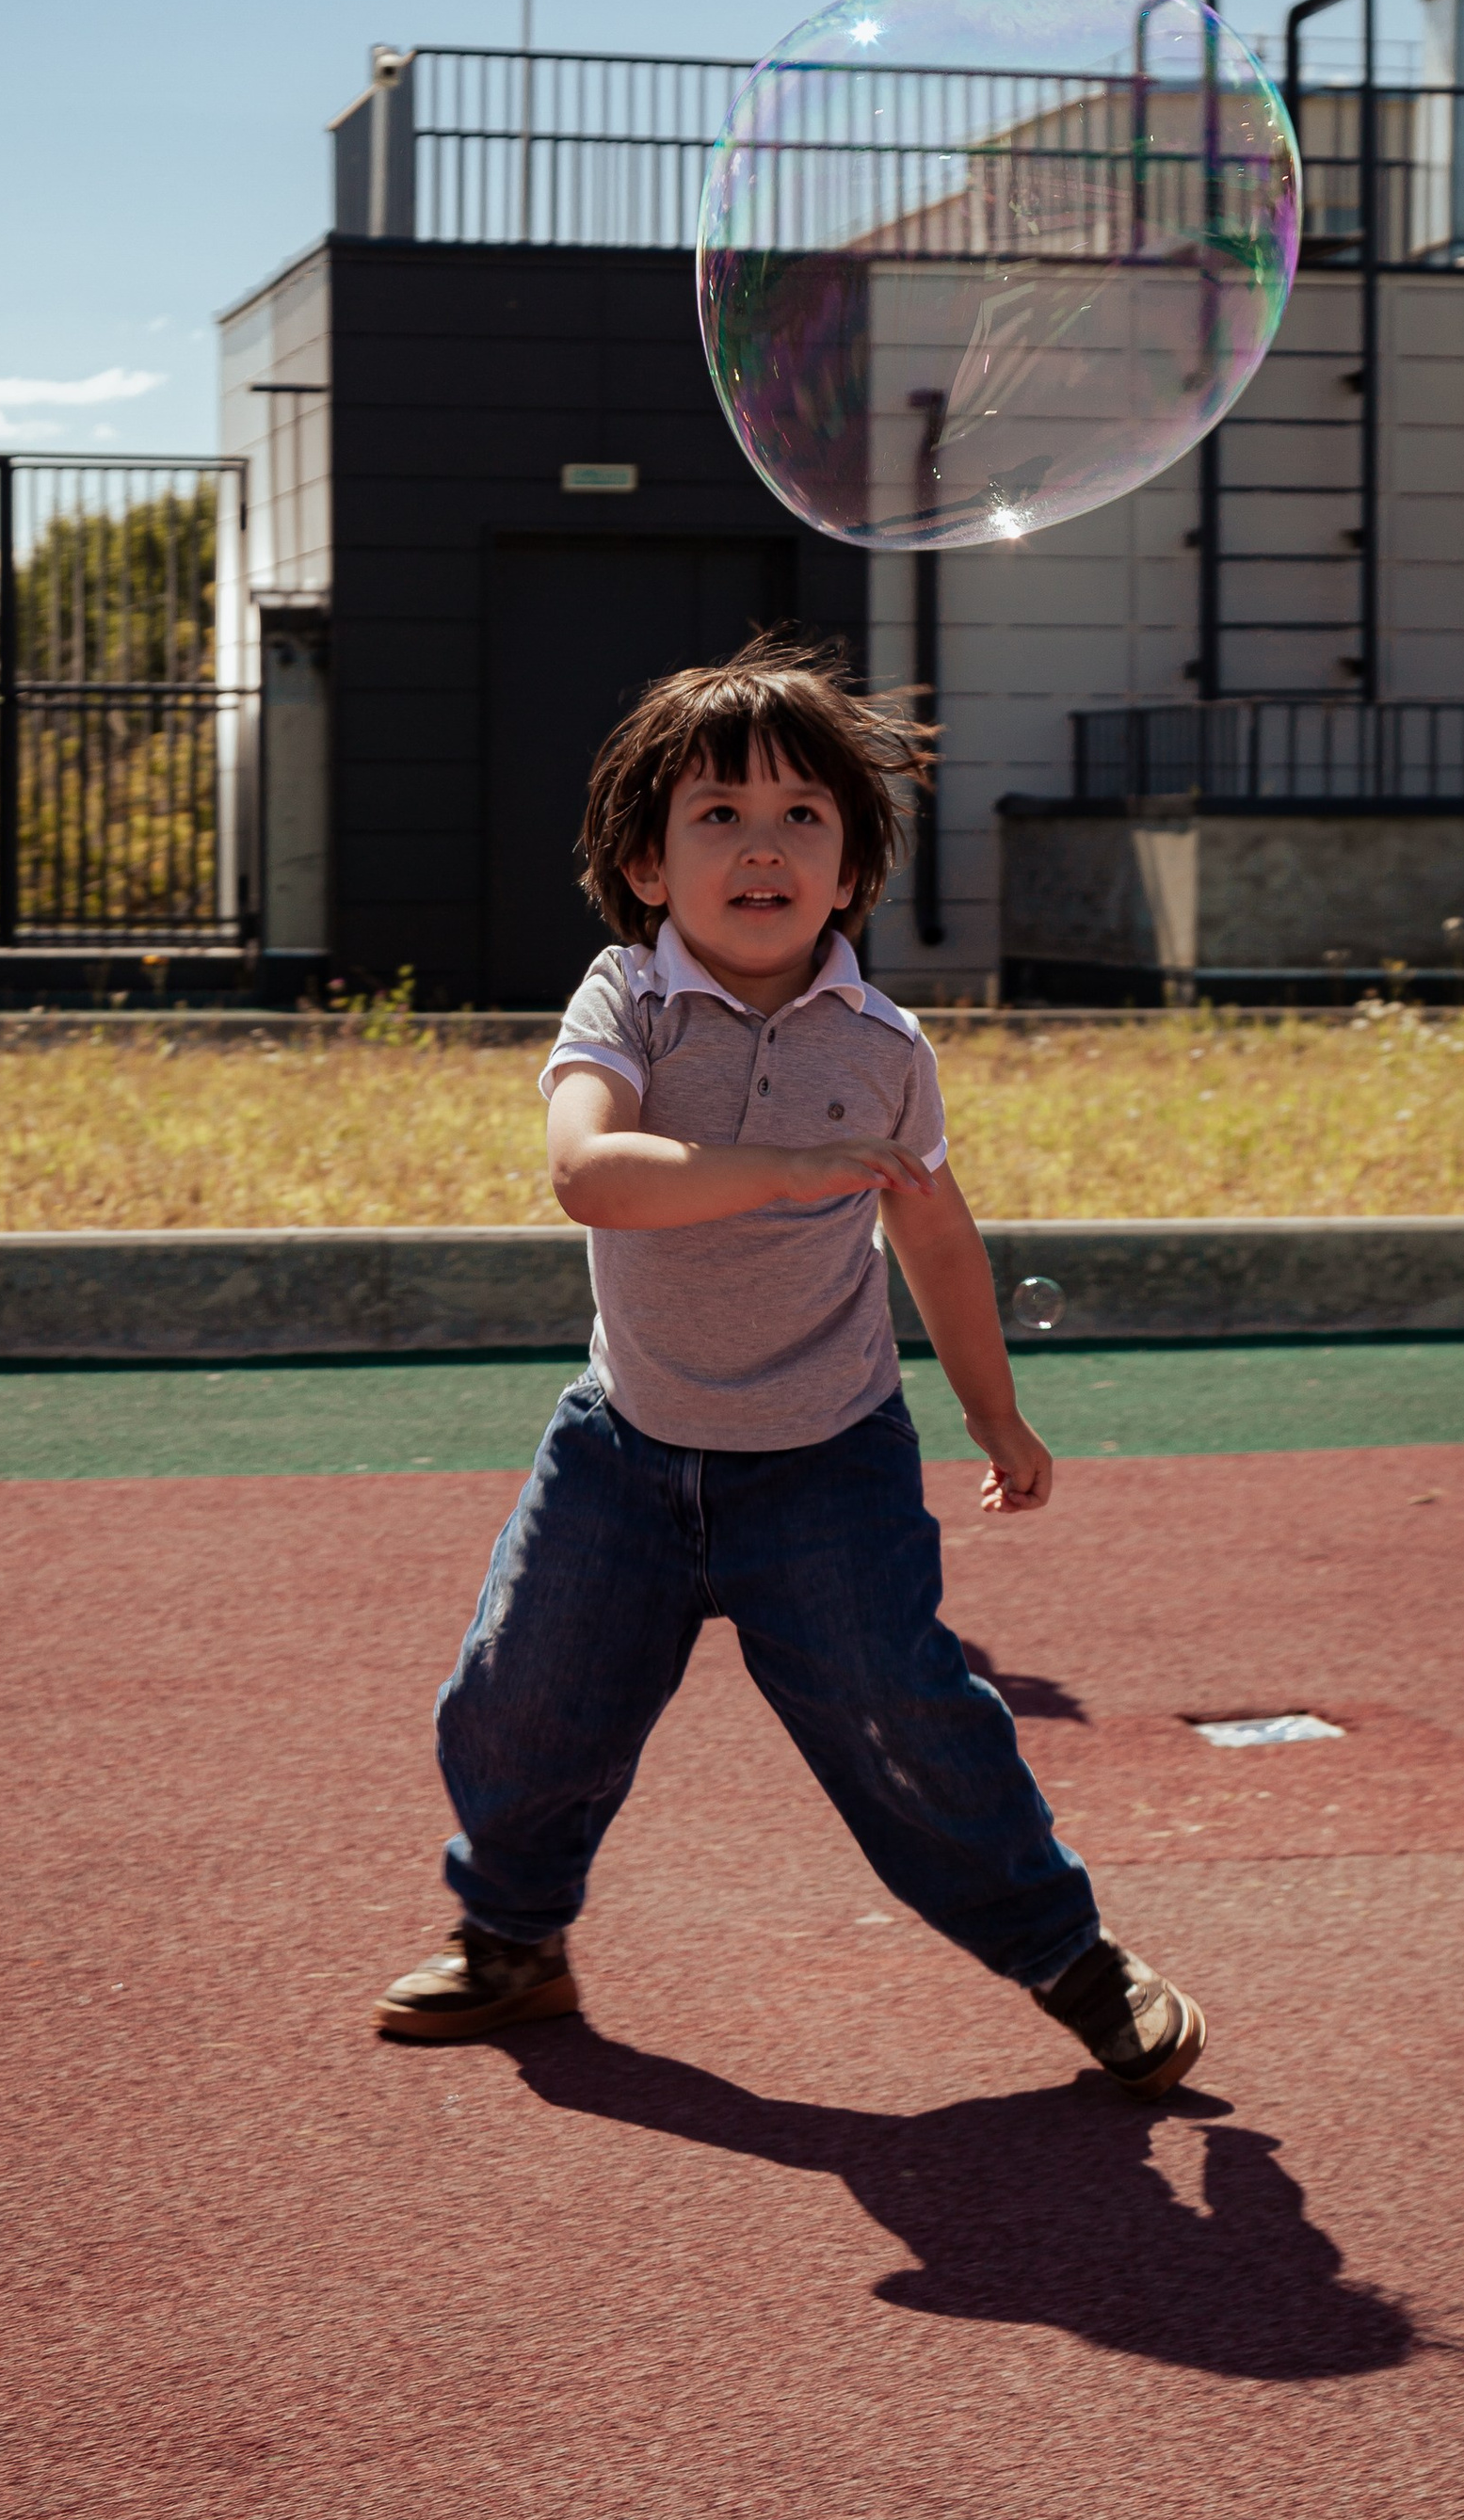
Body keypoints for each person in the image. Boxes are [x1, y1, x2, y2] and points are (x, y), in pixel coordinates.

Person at [377, 634, 1205, 2097]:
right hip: (626, 1449)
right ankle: (512, 1936)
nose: (762, 847)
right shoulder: (625, 1002)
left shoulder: (884, 1049)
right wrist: (783, 1166)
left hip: (828, 1462)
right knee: (520, 1697)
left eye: (801, 816)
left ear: (852, 871)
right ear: (648, 865)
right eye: (719, 814)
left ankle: (1072, 1956)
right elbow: (586, 1172)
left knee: (907, 1717)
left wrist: (997, 1413)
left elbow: (934, 1234)